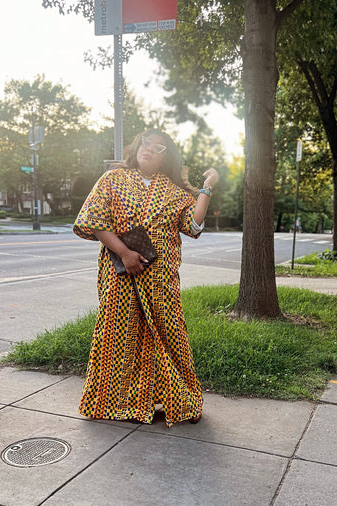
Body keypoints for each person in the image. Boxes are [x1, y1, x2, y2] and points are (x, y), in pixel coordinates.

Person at [74, 129, 219, 427]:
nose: (148, 149)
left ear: (167, 155)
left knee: (168, 335)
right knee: (119, 335)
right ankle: (116, 403)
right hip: (121, 276)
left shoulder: (175, 192)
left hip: (160, 278)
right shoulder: (113, 180)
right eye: (145, 143)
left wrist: (206, 187)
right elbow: (94, 221)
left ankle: (175, 400)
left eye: (158, 146)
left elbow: (193, 225)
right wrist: (124, 253)